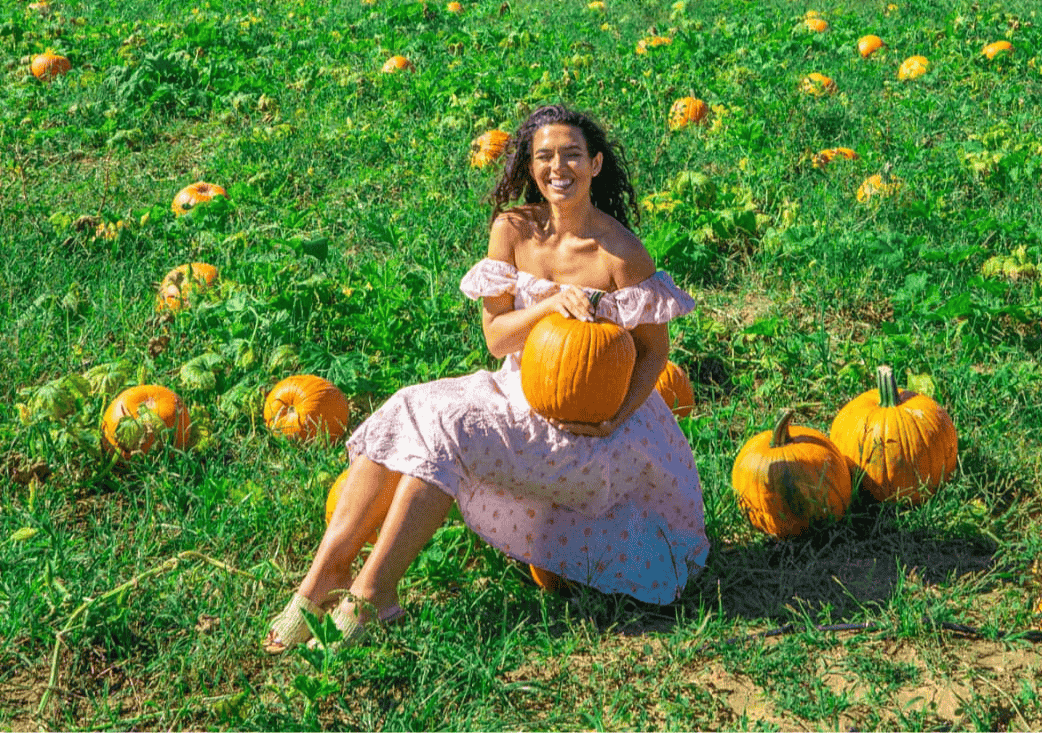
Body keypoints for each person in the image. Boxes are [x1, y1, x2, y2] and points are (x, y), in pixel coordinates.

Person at [263, 104, 710, 653]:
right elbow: (498, 338)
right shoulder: (513, 229)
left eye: (572, 154)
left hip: (598, 432)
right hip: (519, 391)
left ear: (595, 164)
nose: (557, 167)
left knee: (448, 427)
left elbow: (653, 356)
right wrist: (548, 306)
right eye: (544, 155)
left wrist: (615, 417)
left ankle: (373, 593)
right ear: (529, 164)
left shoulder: (620, 254)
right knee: (409, 405)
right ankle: (322, 582)